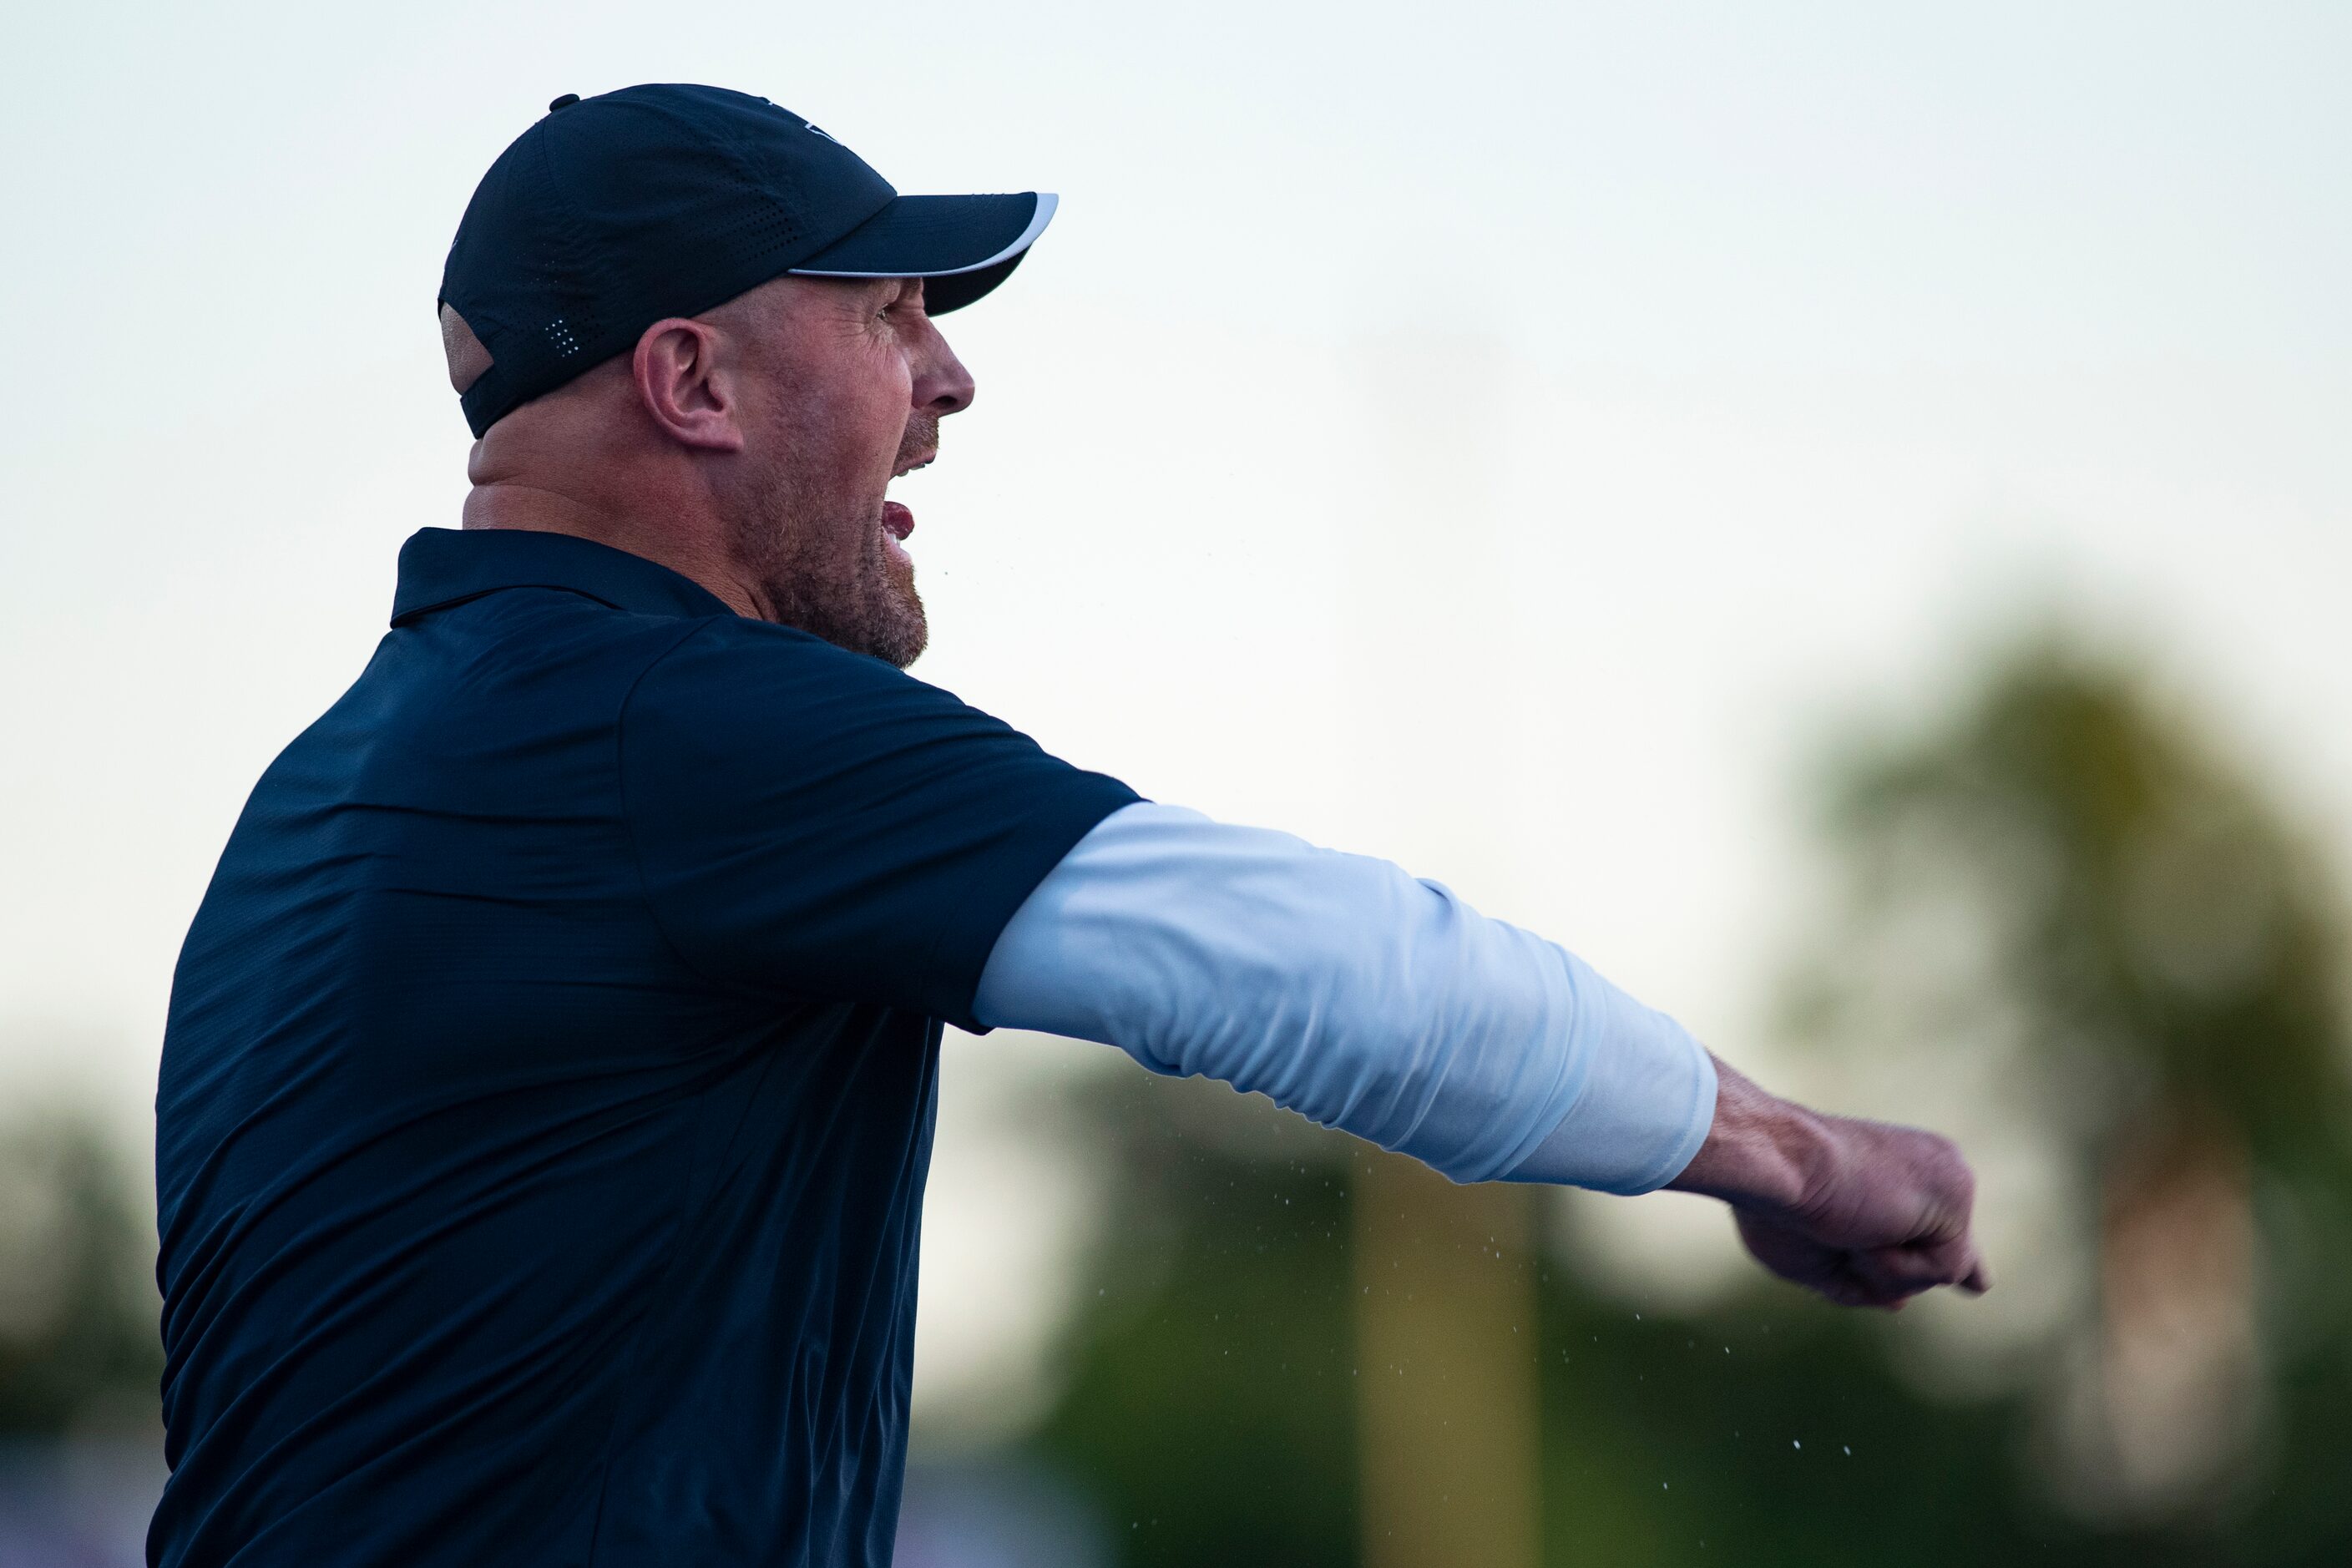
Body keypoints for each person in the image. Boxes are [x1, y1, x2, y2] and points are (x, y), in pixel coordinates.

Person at [149, 83, 1986, 1567]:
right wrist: (1799, 1153)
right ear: (690, 380)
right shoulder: (682, 728)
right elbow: (1334, 973)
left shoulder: (314, 800)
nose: (947, 381)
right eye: (886, 315)